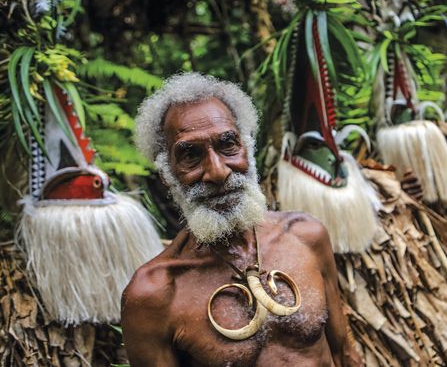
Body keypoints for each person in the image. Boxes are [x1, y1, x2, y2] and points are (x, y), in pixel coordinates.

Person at [121, 72, 361, 366]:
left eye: (227, 144)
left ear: (248, 148)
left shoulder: (306, 236)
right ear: (167, 176)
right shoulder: (154, 295)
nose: (218, 172)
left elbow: (345, 354)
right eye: (190, 155)